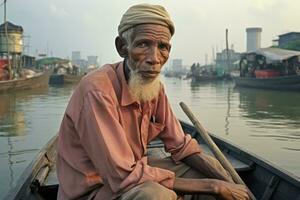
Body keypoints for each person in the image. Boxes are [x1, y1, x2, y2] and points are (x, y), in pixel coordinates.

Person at [57, 3, 250, 200]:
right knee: (156, 196)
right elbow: (123, 176)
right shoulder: (97, 90)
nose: (155, 59)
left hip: (133, 172)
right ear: (122, 47)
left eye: (163, 47)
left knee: (209, 169)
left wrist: (226, 181)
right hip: (94, 189)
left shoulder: (154, 89)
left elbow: (181, 146)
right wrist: (213, 186)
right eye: (143, 44)